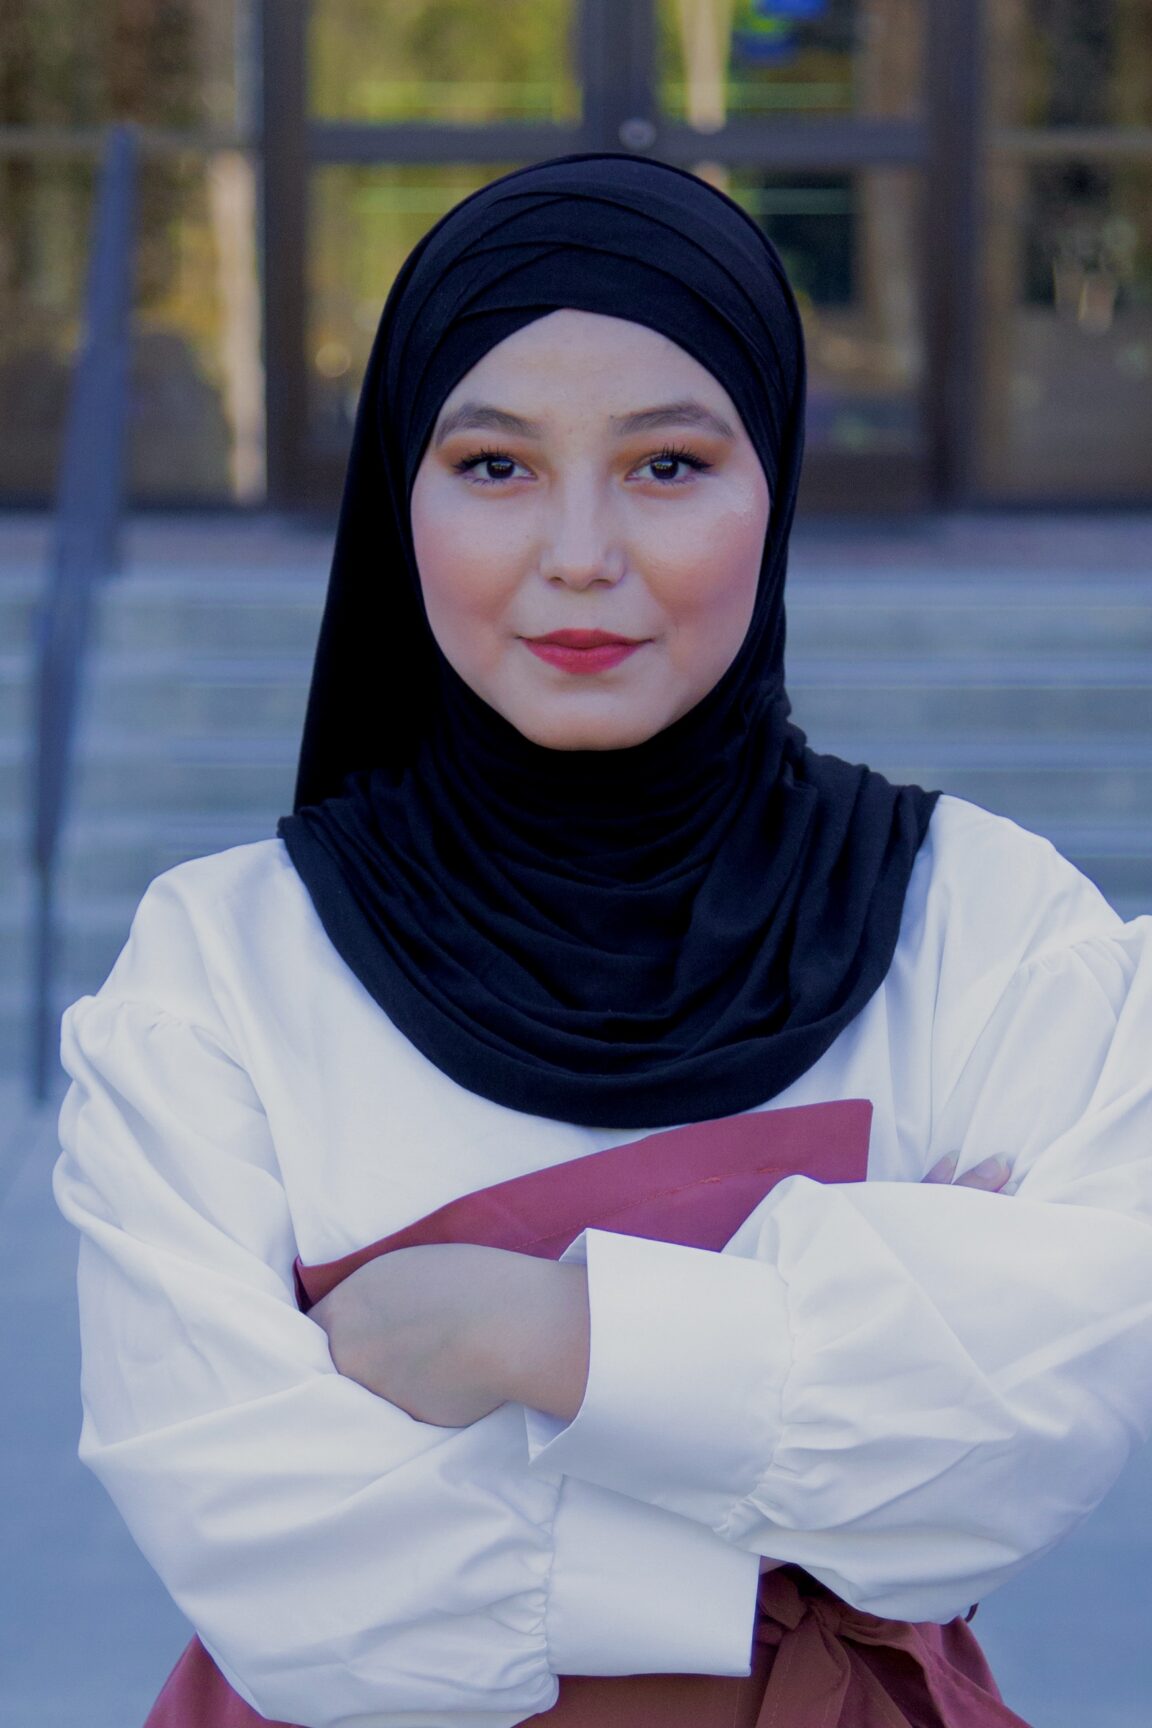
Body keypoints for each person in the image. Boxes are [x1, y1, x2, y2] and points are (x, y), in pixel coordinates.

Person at [53, 154, 1152, 1728]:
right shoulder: (222, 970)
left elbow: (1032, 1434)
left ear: (772, 485)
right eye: (496, 466)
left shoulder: (986, 926)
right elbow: (281, 1565)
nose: (579, 552)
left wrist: (543, 1337)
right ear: (400, 496)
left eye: (667, 466)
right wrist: (820, 1456)